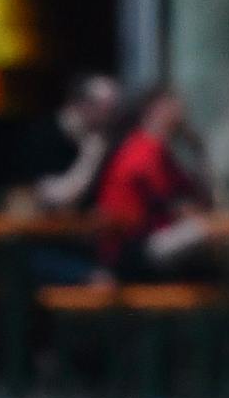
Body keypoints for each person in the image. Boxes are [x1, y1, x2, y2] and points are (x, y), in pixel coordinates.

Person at [93, 86, 217, 278]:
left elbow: (196, 197)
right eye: (173, 106)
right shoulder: (141, 149)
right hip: (128, 250)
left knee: (217, 240)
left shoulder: (160, 150)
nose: (181, 113)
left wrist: (198, 150)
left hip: (148, 241)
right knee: (205, 233)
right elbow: (178, 206)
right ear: (155, 109)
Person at [19, 73, 122, 212]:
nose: (110, 117)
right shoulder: (44, 135)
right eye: (105, 109)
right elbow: (53, 196)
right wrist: (91, 156)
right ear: (83, 104)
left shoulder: (103, 138)